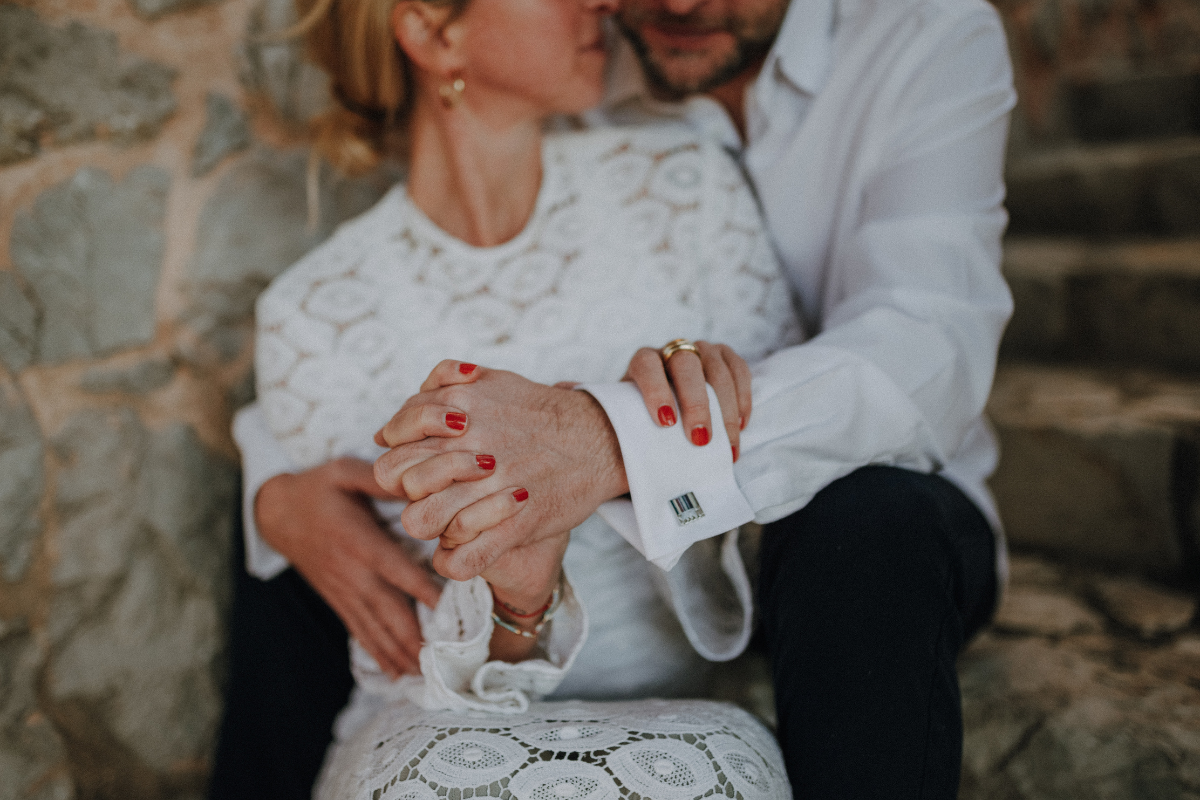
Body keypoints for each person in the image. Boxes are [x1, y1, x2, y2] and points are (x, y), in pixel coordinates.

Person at [213, 0, 1017, 796]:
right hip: (468, 688)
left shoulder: (897, 54)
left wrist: (610, 437)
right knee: (295, 567)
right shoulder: (607, 62)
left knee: (868, 522)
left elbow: (927, 346)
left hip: (860, 522)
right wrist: (276, 497)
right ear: (430, 29)